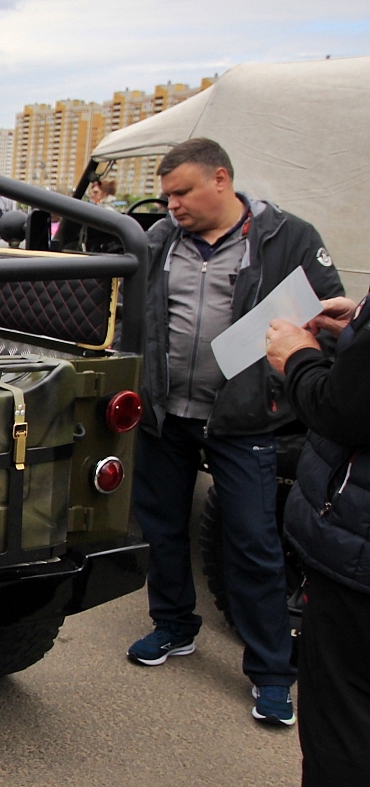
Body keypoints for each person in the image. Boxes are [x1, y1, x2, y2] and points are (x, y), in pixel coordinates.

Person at [125, 138, 344, 727]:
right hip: (166, 415)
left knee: (252, 544)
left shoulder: (287, 238)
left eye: (182, 192)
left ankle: (273, 673)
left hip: (242, 420)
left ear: (221, 180)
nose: (172, 205)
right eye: (166, 195)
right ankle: (173, 626)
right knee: (162, 528)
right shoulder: (158, 242)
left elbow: (328, 319)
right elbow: (133, 321)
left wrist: (278, 383)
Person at [266, 295, 370, 787]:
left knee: (341, 736)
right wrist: (358, 327)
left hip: (358, 562)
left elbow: (343, 409)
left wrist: (299, 358)